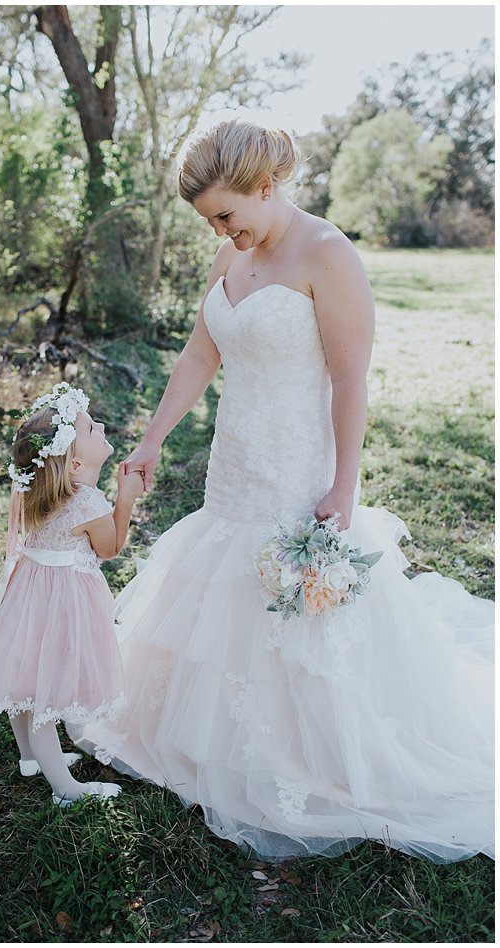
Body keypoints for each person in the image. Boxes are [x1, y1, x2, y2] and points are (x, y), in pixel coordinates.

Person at [77, 120, 495, 863]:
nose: (221, 230)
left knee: (298, 614)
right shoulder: (227, 257)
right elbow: (201, 353)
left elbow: (350, 378)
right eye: (210, 220)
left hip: (300, 466)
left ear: (266, 186)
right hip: (234, 463)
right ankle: (206, 738)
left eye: (226, 215)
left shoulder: (328, 255)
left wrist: (343, 484)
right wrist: (151, 440)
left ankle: (309, 756)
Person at [0, 383, 148, 805]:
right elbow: (111, 548)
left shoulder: (37, 491)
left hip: (28, 594)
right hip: (63, 603)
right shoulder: (86, 504)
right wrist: (126, 499)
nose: (100, 425)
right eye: (92, 428)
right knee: (46, 694)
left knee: (23, 677)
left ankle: (30, 757)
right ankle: (65, 790)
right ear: (76, 462)